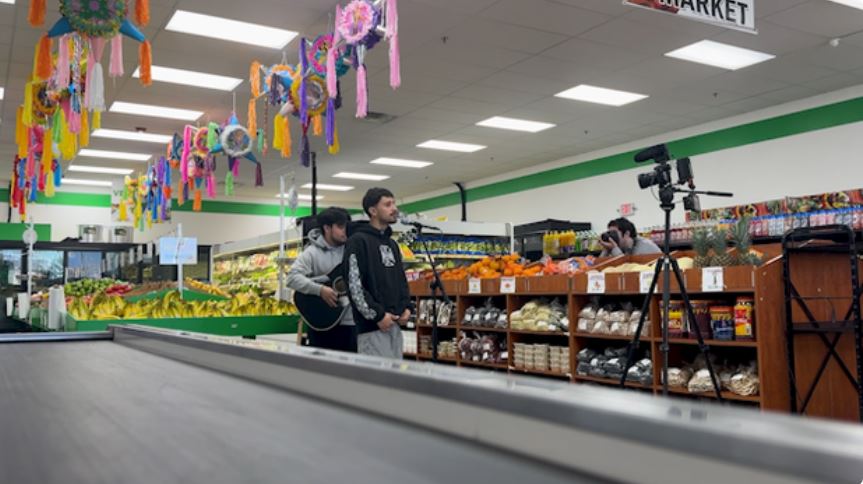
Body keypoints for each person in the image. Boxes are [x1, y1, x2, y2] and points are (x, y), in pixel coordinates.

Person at [344, 188, 412, 359]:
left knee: (395, 379)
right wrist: (378, 316)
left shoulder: (392, 244)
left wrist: (406, 308)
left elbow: (400, 280)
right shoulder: (357, 242)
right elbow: (354, 286)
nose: (394, 208)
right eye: (387, 204)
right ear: (373, 211)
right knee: (375, 382)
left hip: (395, 325)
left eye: (394, 203)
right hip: (373, 327)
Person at [287, 207, 356, 352]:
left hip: (352, 323)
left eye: (347, 226)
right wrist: (320, 290)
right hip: (322, 322)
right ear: (327, 228)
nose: (345, 230)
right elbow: (292, 278)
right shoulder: (311, 253)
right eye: (340, 226)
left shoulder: (353, 250)